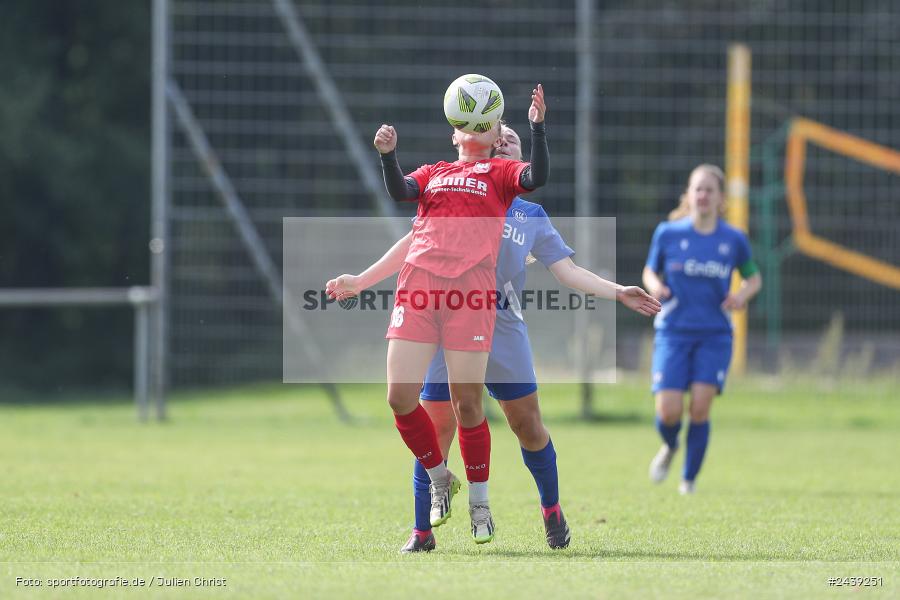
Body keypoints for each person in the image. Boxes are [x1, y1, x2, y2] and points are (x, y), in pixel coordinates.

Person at [328, 125, 660, 551]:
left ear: (521, 161)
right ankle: (422, 531)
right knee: (437, 424)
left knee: (528, 426)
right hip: (447, 317)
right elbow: (413, 245)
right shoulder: (454, 191)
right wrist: (361, 280)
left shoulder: (530, 215)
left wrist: (618, 292)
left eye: (511, 140)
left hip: (502, 328)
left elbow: (568, 272)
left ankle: (551, 508)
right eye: (497, 137)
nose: (502, 142)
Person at [369, 84, 548, 544]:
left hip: (470, 294)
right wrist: (388, 155)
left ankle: (480, 503)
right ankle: (439, 477)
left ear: (495, 135)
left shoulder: (501, 172)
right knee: (399, 398)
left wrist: (537, 128)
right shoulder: (435, 171)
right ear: (454, 134)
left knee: (467, 405)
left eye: (491, 124)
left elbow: (536, 177)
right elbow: (401, 190)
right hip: (419, 287)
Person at [642, 164, 762, 494]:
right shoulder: (668, 233)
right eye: (698, 189)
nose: (703, 195)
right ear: (689, 194)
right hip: (673, 332)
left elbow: (753, 278)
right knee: (668, 411)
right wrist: (655, 287)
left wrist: (740, 296)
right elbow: (650, 271)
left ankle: (688, 480)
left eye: (710, 190)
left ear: (721, 198)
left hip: (714, 335)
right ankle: (670, 445)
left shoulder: (733, 239)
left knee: (699, 407)